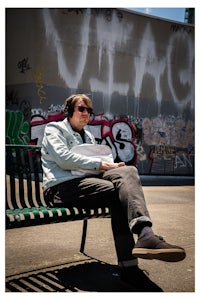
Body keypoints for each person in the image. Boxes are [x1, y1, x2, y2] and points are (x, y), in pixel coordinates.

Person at [41, 94, 186, 291]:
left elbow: (91, 167)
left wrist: (113, 167)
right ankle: (130, 269)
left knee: (128, 172)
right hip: (60, 189)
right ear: (68, 111)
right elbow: (64, 159)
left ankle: (145, 234)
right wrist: (102, 164)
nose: (86, 114)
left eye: (89, 111)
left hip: (85, 184)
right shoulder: (54, 129)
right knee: (118, 192)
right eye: (82, 109)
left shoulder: (89, 136)